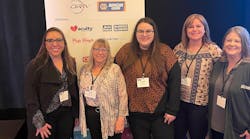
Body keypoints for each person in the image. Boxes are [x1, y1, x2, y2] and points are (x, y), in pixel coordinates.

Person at [115, 17, 181, 139]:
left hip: (162, 113)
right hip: (135, 113)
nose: (144, 34)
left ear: (154, 33)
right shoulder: (125, 52)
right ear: (135, 34)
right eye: (140, 31)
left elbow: (175, 82)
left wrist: (172, 110)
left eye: (148, 31)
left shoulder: (164, 51)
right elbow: (114, 78)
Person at [24, 27, 79, 139]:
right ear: (45, 44)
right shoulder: (35, 66)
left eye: (59, 40)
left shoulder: (71, 62)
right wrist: (40, 123)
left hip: (66, 115)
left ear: (64, 43)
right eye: (50, 40)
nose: (55, 44)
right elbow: (30, 97)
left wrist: (76, 115)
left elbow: (74, 91)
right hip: (46, 117)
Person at [173, 14, 222, 139]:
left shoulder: (213, 50)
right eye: (190, 27)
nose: (194, 29)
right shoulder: (178, 49)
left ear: (205, 29)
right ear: (186, 30)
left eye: (198, 26)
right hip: (179, 103)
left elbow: (225, 70)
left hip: (200, 105)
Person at [79, 38, 128, 139]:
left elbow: (123, 95)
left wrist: (121, 118)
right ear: (92, 51)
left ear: (108, 52)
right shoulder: (84, 70)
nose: (100, 52)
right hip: (91, 115)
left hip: (112, 116)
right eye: (97, 49)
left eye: (104, 50)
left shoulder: (115, 69)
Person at [209, 26, 250, 139]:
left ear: (245, 44)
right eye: (229, 40)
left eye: (237, 41)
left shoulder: (248, 68)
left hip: (236, 131)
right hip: (214, 127)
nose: (232, 44)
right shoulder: (218, 64)